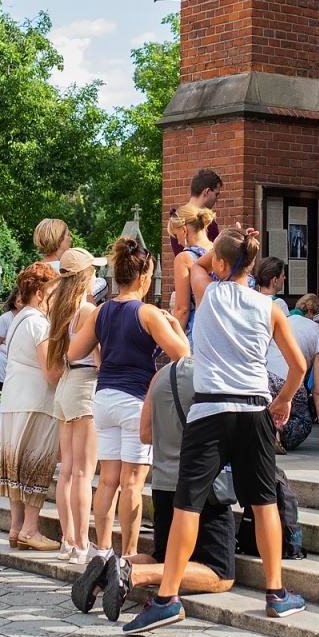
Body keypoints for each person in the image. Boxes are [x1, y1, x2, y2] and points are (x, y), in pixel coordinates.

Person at [123, 229, 308, 635]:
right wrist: (283, 402)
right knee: (263, 504)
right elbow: (299, 367)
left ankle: (168, 599)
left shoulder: (208, 291)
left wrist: (226, 241)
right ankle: (276, 593)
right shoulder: (271, 307)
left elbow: (199, 263)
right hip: (254, 409)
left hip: (209, 410)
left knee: (188, 505)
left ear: (222, 265)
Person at [73, 356, 236, 620]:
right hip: (202, 487)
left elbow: (145, 435)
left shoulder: (159, 377)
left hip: (163, 484)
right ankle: (132, 573)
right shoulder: (211, 374)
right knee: (220, 574)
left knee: (162, 554)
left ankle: (108, 568)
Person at [71, 237, 191, 559]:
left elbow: (73, 352)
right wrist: (176, 326)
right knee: (133, 483)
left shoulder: (100, 312)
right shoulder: (148, 313)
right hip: (134, 400)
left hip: (104, 397)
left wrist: (104, 348)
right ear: (142, 277)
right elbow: (183, 355)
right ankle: (130, 556)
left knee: (107, 480)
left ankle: (102, 551)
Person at [0, 262, 62, 551]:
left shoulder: (19, 318)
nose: (56, 297)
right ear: (39, 292)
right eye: (53, 291)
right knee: (36, 464)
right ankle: (31, 530)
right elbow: (51, 372)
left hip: (13, 400)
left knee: (16, 465)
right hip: (36, 402)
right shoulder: (39, 323)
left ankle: (16, 527)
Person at [48, 249, 101, 563]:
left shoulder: (58, 307)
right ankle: (81, 544)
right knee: (83, 472)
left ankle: (69, 541)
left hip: (67, 384)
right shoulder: (88, 310)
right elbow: (100, 358)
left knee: (67, 470)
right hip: (84, 383)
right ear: (86, 275)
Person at [267, 296, 319, 453]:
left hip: (264, 372)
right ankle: (276, 430)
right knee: (303, 420)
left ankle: (263, 427)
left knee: (269, 406)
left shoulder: (291, 319)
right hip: (288, 376)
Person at [167, 204, 216, 333]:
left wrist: (173, 340)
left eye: (176, 235)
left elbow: (182, 310)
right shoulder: (220, 250)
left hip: (198, 332)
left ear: (184, 230)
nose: (178, 242)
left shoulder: (184, 258)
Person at [189, 168, 223, 245]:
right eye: (216, 194)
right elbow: (217, 254)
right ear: (207, 191)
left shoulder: (176, 218)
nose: (217, 200)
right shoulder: (208, 223)